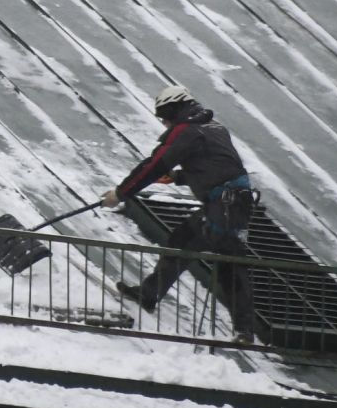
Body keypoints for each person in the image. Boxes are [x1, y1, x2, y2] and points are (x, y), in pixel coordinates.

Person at [103, 84, 259, 344]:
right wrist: (177, 177)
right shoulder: (213, 128)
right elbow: (217, 167)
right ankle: (149, 294)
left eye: (164, 115)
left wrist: (121, 193)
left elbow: (154, 164)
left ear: (175, 109)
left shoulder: (186, 131)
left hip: (224, 206)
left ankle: (244, 331)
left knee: (229, 264)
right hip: (231, 204)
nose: (163, 122)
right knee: (182, 241)